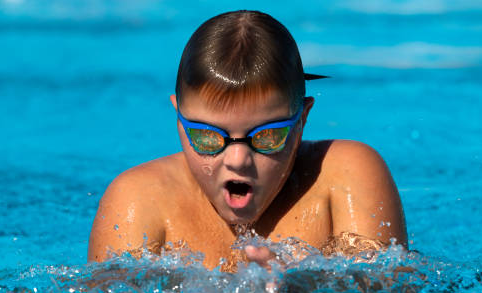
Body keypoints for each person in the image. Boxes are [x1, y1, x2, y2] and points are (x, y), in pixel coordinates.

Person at [87, 10, 407, 271]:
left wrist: (304, 289)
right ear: (179, 118)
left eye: (267, 135)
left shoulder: (342, 175)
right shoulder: (140, 201)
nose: (238, 160)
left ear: (302, 120)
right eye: (208, 136)